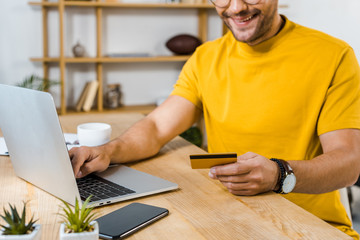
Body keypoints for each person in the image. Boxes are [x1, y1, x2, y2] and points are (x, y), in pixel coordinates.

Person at [70, 0, 360, 238]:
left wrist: (279, 174)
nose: (235, 8)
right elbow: (157, 126)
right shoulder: (205, 58)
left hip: (311, 227)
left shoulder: (333, 55)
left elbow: (348, 163)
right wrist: (107, 151)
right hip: (232, 220)